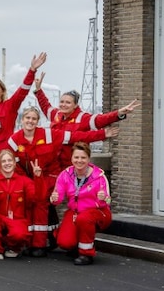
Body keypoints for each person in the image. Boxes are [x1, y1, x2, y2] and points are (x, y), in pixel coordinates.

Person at [8, 107, 114, 257]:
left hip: (50, 176)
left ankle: (40, 245)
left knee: (41, 202)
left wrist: (102, 134)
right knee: (29, 202)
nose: (30, 121)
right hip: (30, 178)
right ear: (22, 120)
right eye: (27, 118)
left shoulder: (49, 134)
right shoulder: (14, 140)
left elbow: (75, 136)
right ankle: (36, 240)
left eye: (33, 118)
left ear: (38, 121)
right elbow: (13, 164)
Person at [0, 52, 44, 164]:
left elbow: (22, 91)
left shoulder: (9, 106)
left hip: (2, 158)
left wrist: (32, 70)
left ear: (2, 91)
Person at [51, 143, 112, 265]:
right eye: (76, 157)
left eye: (83, 158)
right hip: (75, 212)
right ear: (71, 158)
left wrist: (103, 198)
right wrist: (54, 198)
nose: (79, 161)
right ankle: (76, 243)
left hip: (98, 212)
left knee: (84, 219)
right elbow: (57, 199)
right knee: (64, 242)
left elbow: (108, 202)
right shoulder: (65, 175)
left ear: (89, 159)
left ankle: (86, 253)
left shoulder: (99, 176)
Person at [0, 152, 32, 260]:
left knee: (19, 235)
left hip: (17, 219)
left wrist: (38, 178)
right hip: (0, 219)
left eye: (9, 160)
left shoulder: (24, 181)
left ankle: (13, 248)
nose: (7, 163)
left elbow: (35, 198)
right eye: (4, 161)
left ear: (15, 163)